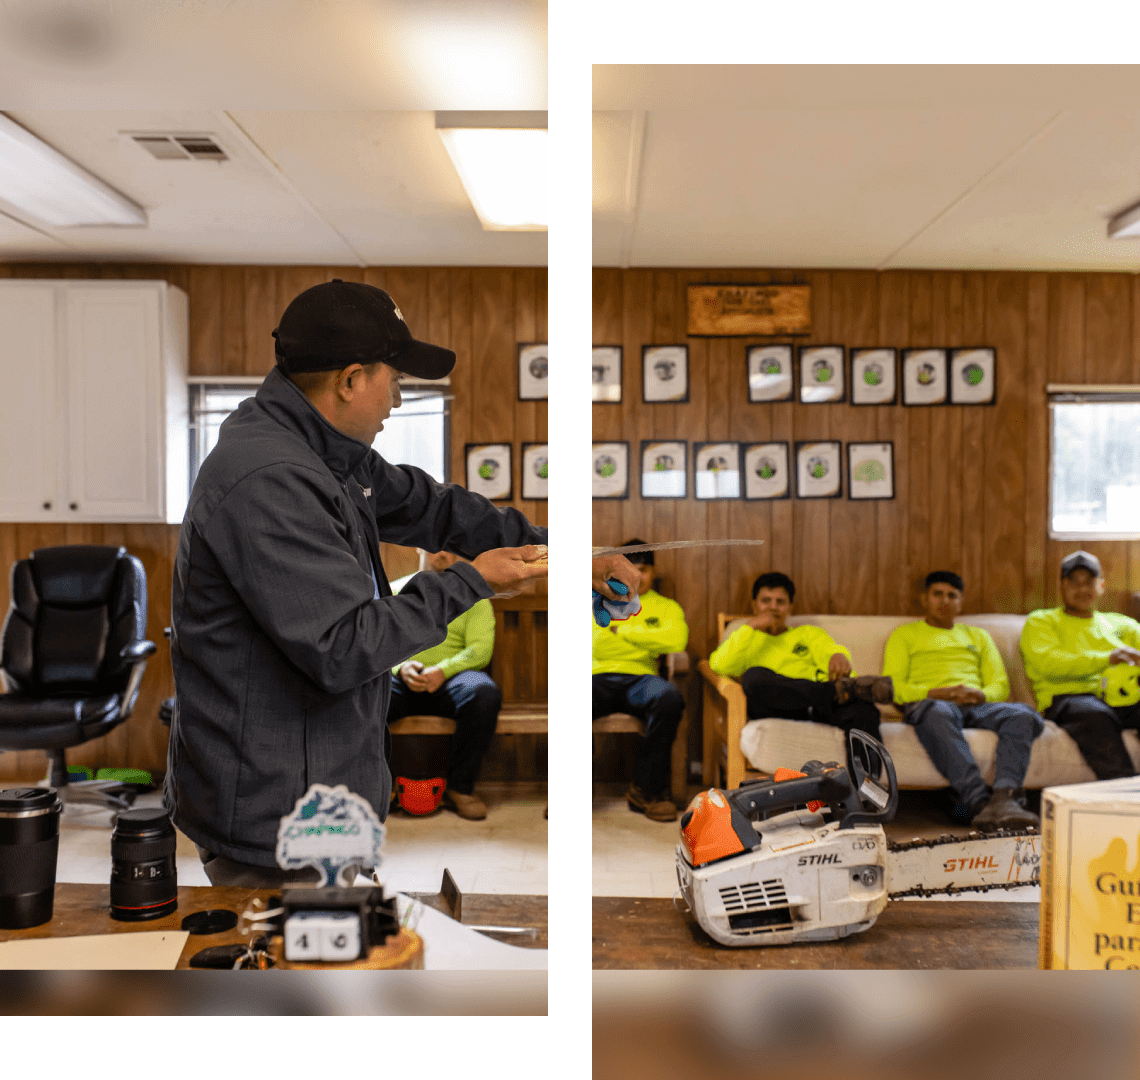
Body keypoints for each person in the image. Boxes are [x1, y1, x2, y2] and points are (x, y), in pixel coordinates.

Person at [165, 279, 548, 887]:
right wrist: (472, 581)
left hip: (318, 787)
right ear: (349, 381)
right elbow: (344, 645)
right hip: (275, 813)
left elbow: (434, 508)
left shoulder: (329, 453)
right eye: (394, 379)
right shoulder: (270, 477)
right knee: (298, 947)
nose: (397, 398)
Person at [882, 571, 1042, 830]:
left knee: (1023, 714)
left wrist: (981, 695)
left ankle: (1006, 798)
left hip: (976, 705)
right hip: (933, 704)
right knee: (939, 712)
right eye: (937, 594)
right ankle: (978, 801)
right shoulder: (904, 635)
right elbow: (894, 688)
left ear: (960, 603)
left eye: (952, 595)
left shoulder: (978, 636)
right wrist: (938, 693)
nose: (944, 601)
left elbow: (999, 685)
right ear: (924, 599)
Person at [708, 571, 891, 748]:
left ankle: (865, 771)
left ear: (790, 608)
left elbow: (828, 650)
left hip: (819, 707)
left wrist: (838, 656)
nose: (773, 607)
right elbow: (718, 665)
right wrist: (751, 625)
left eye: (780, 602)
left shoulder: (807, 633)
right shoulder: (745, 638)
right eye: (766, 601)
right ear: (754, 606)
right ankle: (833, 692)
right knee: (753, 677)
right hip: (777, 708)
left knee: (864, 710)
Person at [387, 549, 501, 821]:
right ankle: (384, 788)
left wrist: (443, 670)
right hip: (402, 678)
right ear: (419, 548)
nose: (441, 553)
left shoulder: (474, 595)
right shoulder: (394, 591)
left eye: (449, 547)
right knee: (367, 694)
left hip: (453, 681)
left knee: (484, 694)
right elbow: (381, 642)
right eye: (433, 545)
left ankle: (461, 788)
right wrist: (401, 668)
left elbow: (480, 650)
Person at [1020, 550, 1140, 781]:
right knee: (1095, 714)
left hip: (1123, 696)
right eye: (1073, 582)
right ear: (1061, 587)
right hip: (1069, 699)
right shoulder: (1041, 621)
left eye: (1089, 582)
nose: (1082, 589)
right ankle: (1123, 790)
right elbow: (1048, 664)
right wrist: (1108, 658)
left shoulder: (1122, 624)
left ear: (1101, 586)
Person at [591, 540, 689, 822]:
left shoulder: (667, 607)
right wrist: (647, 640)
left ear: (653, 572)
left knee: (669, 698)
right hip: (598, 676)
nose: (634, 576)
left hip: (642, 681)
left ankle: (646, 791)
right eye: (628, 568)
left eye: (642, 569)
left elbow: (676, 640)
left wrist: (622, 632)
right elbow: (597, 645)